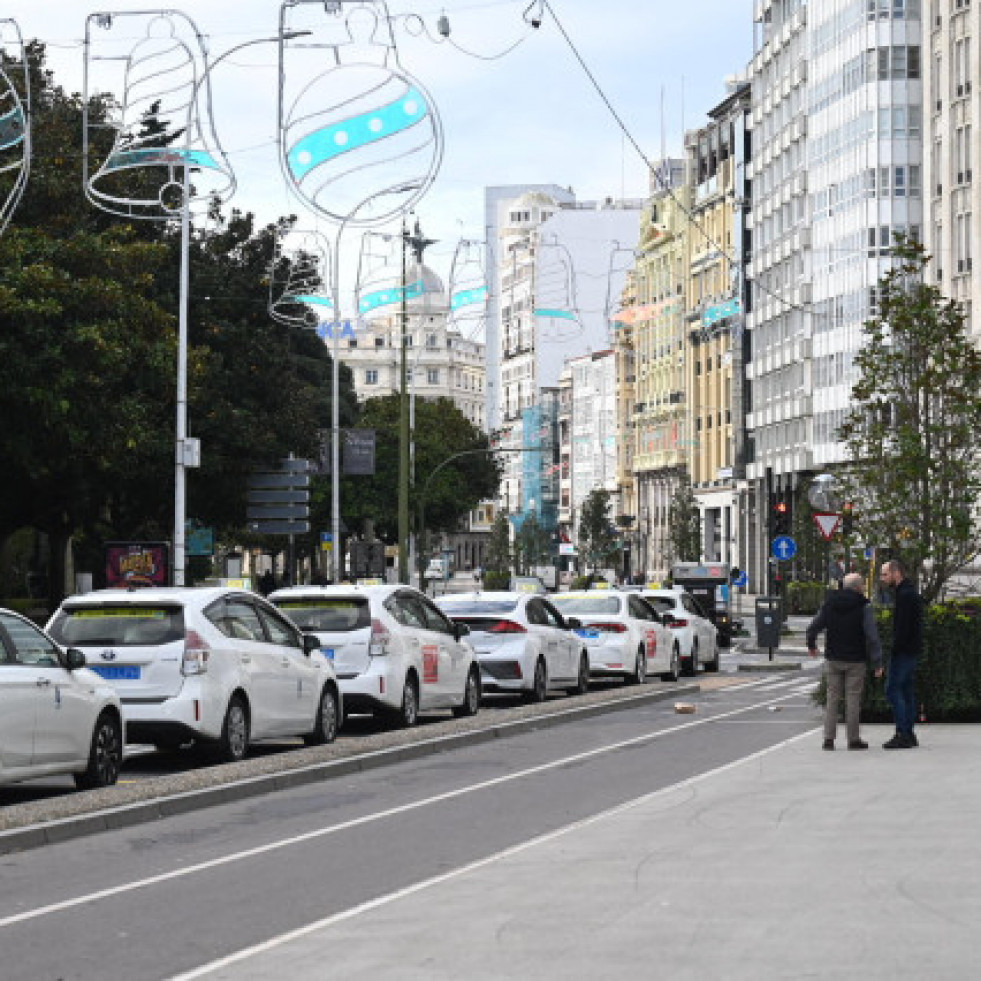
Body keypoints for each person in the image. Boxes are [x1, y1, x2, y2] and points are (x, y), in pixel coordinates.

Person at [806, 572, 883, 751]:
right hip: (856, 659)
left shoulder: (829, 603)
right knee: (853, 699)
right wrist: (877, 662)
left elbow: (813, 627)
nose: (864, 588)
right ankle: (853, 739)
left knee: (832, 698)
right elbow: (872, 636)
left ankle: (828, 739)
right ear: (857, 587)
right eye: (863, 585)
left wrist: (812, 645)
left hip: (833, 658)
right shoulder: (864, 606)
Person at [880, 558, 924, 749]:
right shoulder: (909, 592)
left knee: (893, 689)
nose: (883, 578)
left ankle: (902, 733)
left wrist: (895, 649)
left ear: (897, 573)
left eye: (885, 574)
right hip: (911, 650)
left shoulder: (905, 595)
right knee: (906, 691)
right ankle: (908, 733)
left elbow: (903, 628)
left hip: (903, 651)